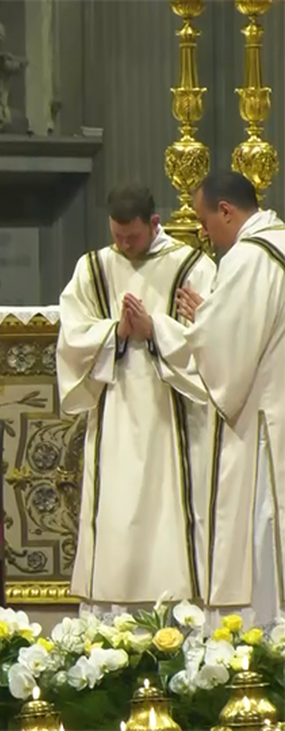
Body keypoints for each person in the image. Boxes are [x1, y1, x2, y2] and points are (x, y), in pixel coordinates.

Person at [56, 184, 215, 617]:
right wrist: (118, 333)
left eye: (134, 237)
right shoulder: (93, 268)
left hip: (174, 416)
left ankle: (179, 613)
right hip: (115, 409)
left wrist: (155, 329)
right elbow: (71, 337)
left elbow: (213, 341)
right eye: (117, 236)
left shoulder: (191, 267)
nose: (124, 246)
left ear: (155, 224)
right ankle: (111, 616)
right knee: (116, 511)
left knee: (168, 510)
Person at [177, 170, 285, 627]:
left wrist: (193, 325)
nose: (203, 232)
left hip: (264, 418)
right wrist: (215, 320)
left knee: (263, 527)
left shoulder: (248, 257)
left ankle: (264, 641)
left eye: (205, 220)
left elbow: (229, 351)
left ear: (226, 210)